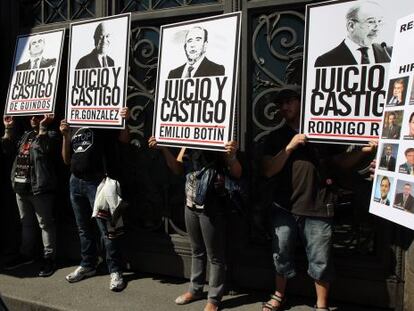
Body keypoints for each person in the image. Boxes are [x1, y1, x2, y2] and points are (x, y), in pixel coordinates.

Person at [261, 85, 376, 311]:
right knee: (280, 254)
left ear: (302, 102)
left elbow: (341, 163)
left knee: (321, 259)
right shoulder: (275, 137)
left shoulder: (324, 131)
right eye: (280, 104)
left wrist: (365, 151)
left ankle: (321, 305)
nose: (284, 107)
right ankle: (279, 295)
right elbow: (268, 170)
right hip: (284, 207)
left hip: (319, 206)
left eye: (289, 101)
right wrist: (290, 147)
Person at [148, 137, 241, 311]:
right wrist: (164, 149)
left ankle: (214, 299)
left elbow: (237, 173)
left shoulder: (219, 142)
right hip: (190, 205)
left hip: (212, 207)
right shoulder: (188, 141)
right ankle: (195, 289)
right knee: (196, 250)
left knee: (215, 256)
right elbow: (177, 169)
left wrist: (232, 156)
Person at [60, 107, 129, 291]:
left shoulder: (103, 118)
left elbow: (124, 139)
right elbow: (67, 160)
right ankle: (88, 264)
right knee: (83, 228)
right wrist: (66, 135)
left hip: (97, 183)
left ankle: (115, 270)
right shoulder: (74, 122)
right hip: (76, 181)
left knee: (108, 229)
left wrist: (124, 120)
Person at [1, 114, 58, 277]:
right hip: (21, 187)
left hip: (38, 188)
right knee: (26, 223)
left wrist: (43, 127)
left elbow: (43, 148)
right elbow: (7, 147)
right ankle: (27, 254)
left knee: (45, 224)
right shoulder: (25, 134)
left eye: (37, 116)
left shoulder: (50, 134)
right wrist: (8, 128)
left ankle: (49, 258)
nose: (33, 118)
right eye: (31, 116)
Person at [315, 0, 392, 67]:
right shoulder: (325, 61)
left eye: (379, 21)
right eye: (371, 22)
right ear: (351, 26)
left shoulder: (389, 53)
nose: (377, 28)